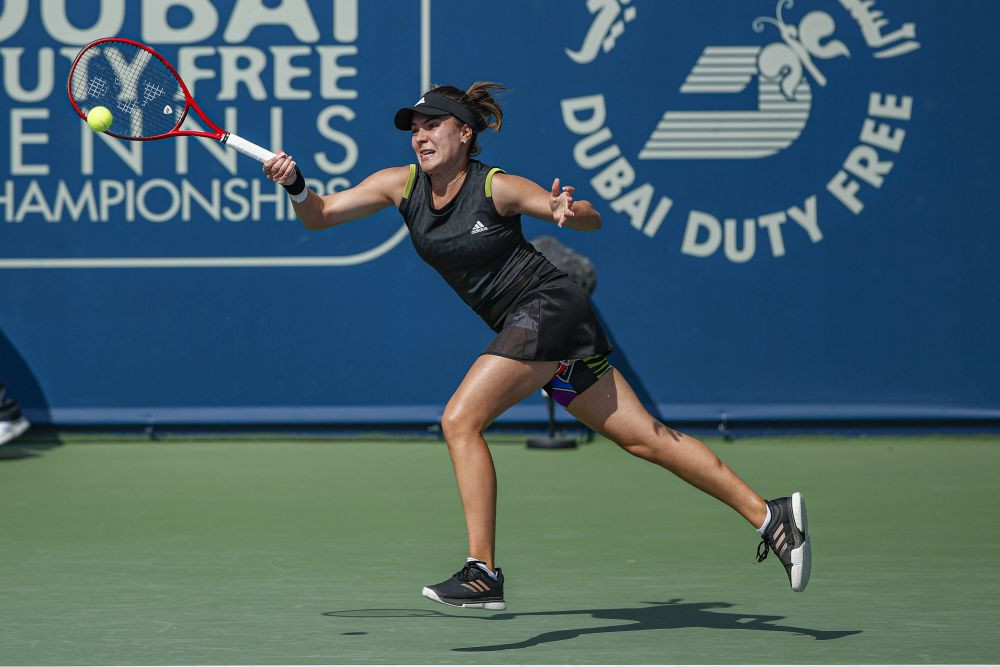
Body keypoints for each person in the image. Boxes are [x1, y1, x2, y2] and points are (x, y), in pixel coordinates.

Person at [262, 82, 811, 609]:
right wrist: (294, 185)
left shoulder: (495, 186)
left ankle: (482, 572)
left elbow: (588, 218)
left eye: (433, 125)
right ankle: (772, 516)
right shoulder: (399, 185)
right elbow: (321, 215)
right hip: (536, 329)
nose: (420, 135)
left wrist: (570, 211)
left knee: (460, 420)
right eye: (415, 127)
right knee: (647, 439)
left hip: (547, 307)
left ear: (465, 134)